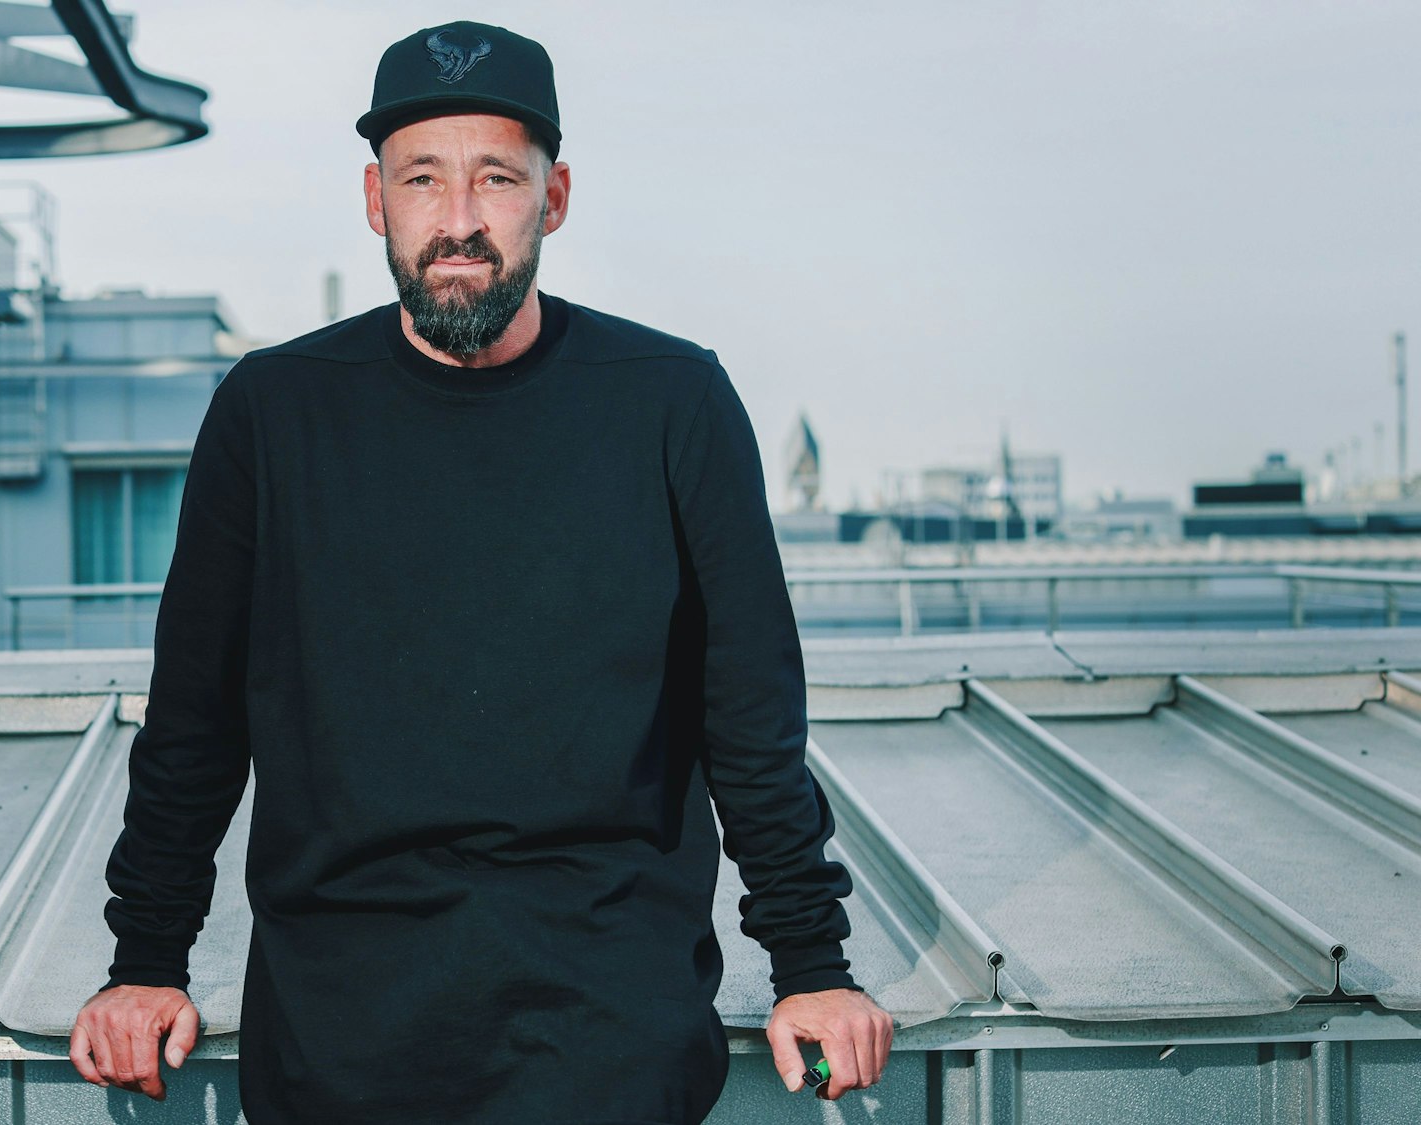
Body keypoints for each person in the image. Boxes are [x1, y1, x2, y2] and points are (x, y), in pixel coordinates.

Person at [68, 18, 893, 1122]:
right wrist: (145, 958)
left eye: (495, 177)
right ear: (376, 202)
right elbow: (194, 721)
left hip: (608, 1021)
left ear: (551, 199)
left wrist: (811, 965)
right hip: (339, 1028)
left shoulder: (670, 400)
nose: (458, 221)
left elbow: (744, 711)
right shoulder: (271, 411)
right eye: (423, 179)